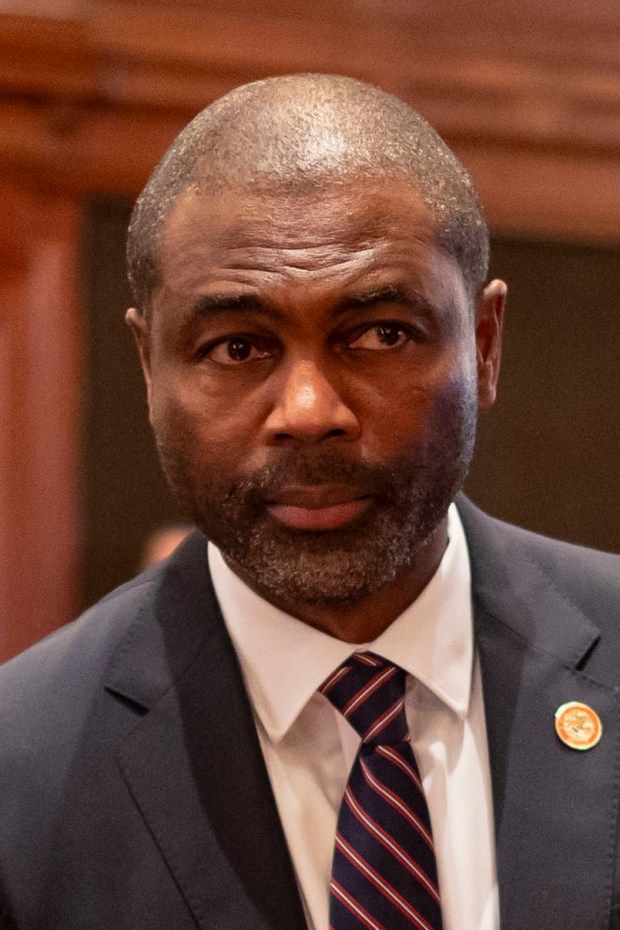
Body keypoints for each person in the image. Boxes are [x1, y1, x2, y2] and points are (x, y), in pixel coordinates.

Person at [0, 74, 618, 930]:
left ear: (483, 344)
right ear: (149, 370)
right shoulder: (19, 776)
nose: (308, 413)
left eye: (380, 334)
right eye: (238, 345)